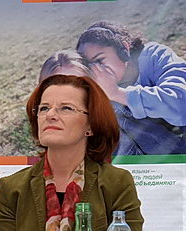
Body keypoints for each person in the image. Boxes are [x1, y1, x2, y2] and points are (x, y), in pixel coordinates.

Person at [0, 74, 143, 231]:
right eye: (44, 108)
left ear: (91, 125)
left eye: (66, 108)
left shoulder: (117, 183)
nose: (50, 115)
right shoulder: (12, 188)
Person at [76, 21, 186, 155]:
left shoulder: (155, 55)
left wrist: (117, 93)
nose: (97, 71)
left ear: (124, 49)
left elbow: (181, 106)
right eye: (90, 66)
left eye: (100, 60)